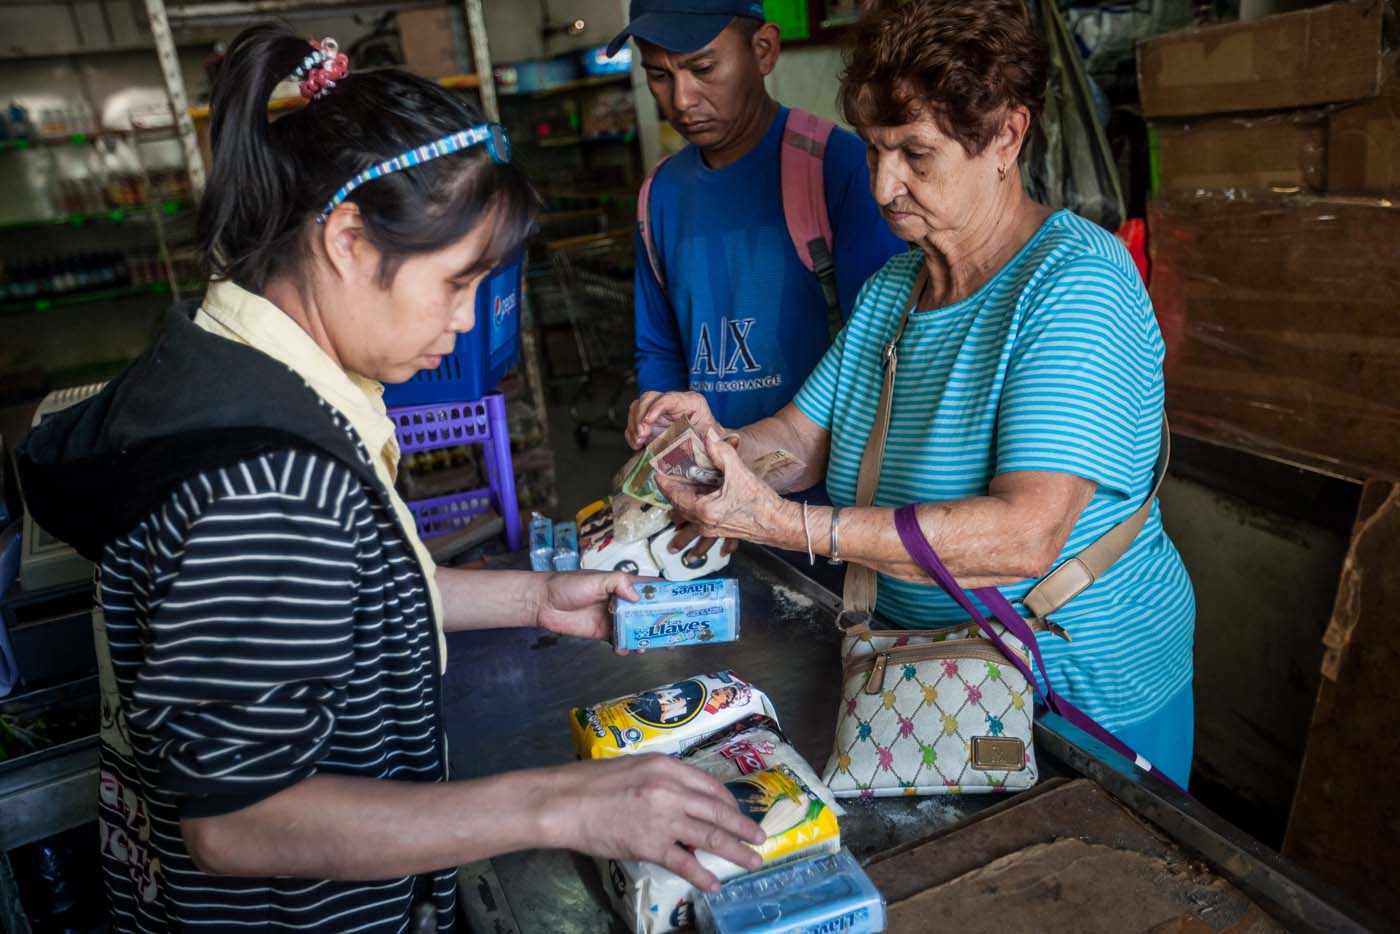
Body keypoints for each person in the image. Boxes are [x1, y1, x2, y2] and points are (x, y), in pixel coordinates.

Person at [17, 25, 763, 933]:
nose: (465, 321)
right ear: (345, 239)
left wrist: (533, 599)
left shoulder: (229, 366)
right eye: (455, 283)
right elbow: (242, 818)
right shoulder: (268, 476)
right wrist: (568, 804)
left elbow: (338, 589)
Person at [626, 0, 1196, 788]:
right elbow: (800, 438)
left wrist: (789, 525)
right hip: (931, 680)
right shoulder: (898, 287)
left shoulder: (1073, 284)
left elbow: (1023, 537)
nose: (885, 184)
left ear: (1007, 136)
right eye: (873, 150)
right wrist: (717, 446)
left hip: (1076, 705)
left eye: (916, 155)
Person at [607, 0, 904, 559]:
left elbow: (881, 356)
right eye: (658, 76)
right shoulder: (659, 196)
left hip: (830, 515)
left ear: (763, 50)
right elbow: (659, 347)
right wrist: (664, 434)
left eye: (702, 68)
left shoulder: (835, 168)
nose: (681, 100)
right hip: (708, 508)